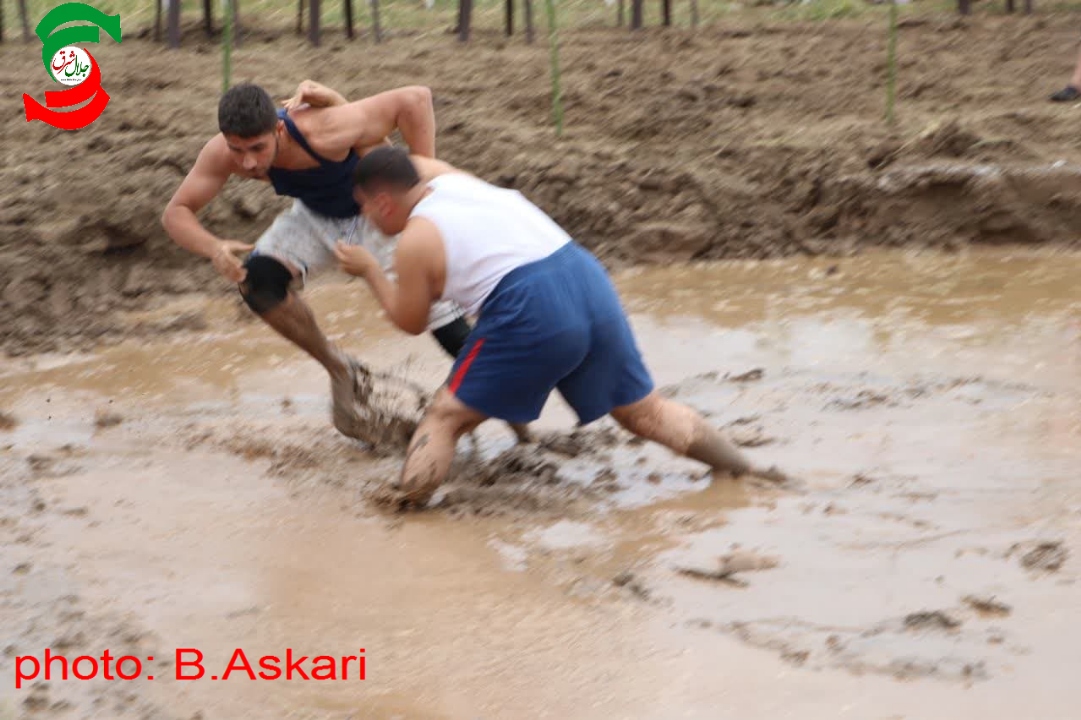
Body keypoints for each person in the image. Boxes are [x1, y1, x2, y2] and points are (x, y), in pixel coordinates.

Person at [334, 147, 787, 508]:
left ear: (384, 202)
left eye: (365, 208)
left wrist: (371, 270)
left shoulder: (415, 241)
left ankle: (406, 509)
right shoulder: (450, 178)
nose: (366, 218)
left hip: (529, 303)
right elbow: (405, 157)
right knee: (644, 412)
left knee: (446, 416)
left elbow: (412, 321)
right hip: (585, 277)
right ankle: (745, 472)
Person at [160, 80, 530, 444]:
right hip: (317, 215)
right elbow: (176, 212)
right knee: (256, 280)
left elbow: (415, 99)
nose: (248, 162)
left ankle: (519, 421)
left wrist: (422, 189)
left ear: (278, 129)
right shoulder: (221, 153)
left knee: (445, 325)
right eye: (237, 149)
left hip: (378, 212)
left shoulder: (325, 128)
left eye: (257, 148)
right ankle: (339, 368)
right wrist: (213, 247)